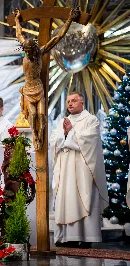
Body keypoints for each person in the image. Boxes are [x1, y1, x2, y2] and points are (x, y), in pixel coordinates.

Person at [14, 7, 79, 150]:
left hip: (38, 87)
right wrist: (17, 19)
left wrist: (69, 19)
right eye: (26, 50)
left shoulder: (40, 52)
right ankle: (35, 136)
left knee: (41, 115)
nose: (28, 52)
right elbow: (19, 34)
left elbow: (58, 37)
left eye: (30, 50)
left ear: (34, 49)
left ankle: (41, 134)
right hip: (28, 89)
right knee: (32, 115)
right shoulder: (26, 51)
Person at [50, 92, 109, 248]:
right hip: (65, 169)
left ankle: (86, 237)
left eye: (74, 100)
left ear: (82, 103)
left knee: (84, 198)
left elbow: (90, 140)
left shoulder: (91, 120)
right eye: (68, 101)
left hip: (83, 170)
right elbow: (53, 140)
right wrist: (65, 133)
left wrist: (70, 133)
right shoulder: (63, 121)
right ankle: (66, 237)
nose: (70, 103)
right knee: (66, 199)